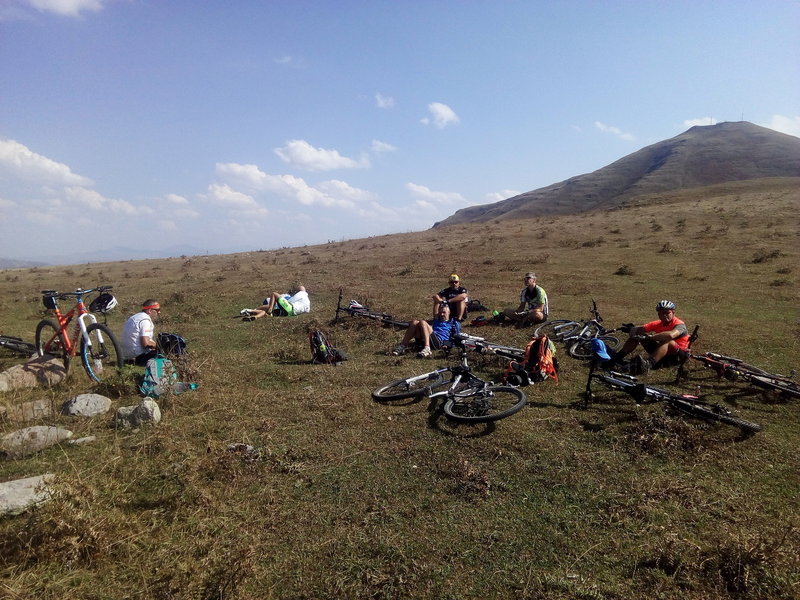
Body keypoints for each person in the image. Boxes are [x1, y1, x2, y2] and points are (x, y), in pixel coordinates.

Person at [610, 300, 690, 375]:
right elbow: (640, 329)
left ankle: (648, 365)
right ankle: (617, 358)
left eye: (667, 312)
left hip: (678, 356)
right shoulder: (658, 324)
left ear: (673, 312)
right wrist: (632, 329)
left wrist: (650, 337)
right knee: (640, 336)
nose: (664, 315)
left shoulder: (679, 325)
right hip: (664, 354)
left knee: (667, 340)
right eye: (661, 313)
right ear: (658, 315)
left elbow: (670, 335)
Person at [392, 302, 461, 358]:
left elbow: (456, 338)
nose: (441, 314)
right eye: (440, 312)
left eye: (444, 312)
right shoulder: (436, 320)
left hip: (439, 342)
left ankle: (427, 348)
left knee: (423, 322)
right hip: (427, 338)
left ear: (449, 312)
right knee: (415, 322)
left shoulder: (453, 323)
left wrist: (447, 345)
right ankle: (402, 346)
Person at [121, 299, 161, 366]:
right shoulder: (145, 321)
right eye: (157, 310)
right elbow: (145, 343)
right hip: (139, 356)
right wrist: (160, 347)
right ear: (150, 310)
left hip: (126, 355)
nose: (159, 312)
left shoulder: (135, 317)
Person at [241, 285, 310, 320]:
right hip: (290, 313)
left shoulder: (301, 294)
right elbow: (307, 311)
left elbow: (290, 301)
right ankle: (255, 316)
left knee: (274, 294)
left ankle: (254, 311)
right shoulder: (306, 303)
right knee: (267, 313)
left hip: (289, 308)